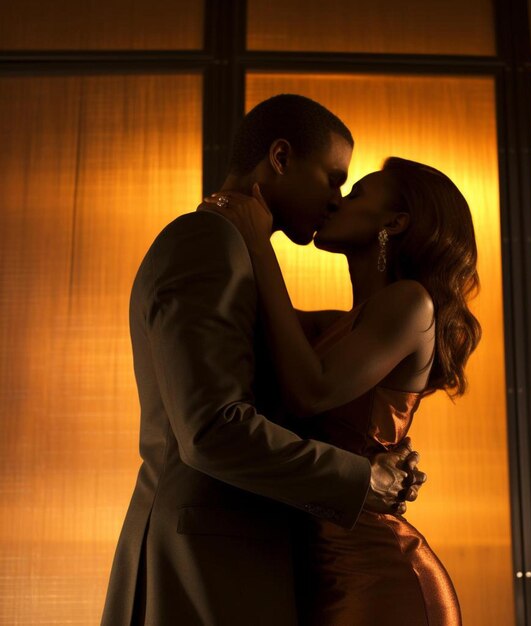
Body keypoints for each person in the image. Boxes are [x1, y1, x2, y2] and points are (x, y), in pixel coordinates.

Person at [100, 95, 426, 626]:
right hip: (203, 564)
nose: (336, 199)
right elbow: (211, 430)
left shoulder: (237, 252)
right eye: (333, 178)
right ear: (280, 157)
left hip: (241, 559)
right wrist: (361, 477)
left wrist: (375, 443)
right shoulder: (207, 241)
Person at [203, 157, 482, 626]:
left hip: (377, 576)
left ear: (393, 223)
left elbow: (311, 392)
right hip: (321, 573)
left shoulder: (412, 301)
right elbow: (261, 321)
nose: (337, 201)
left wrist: (257, 241)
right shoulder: (340, 325)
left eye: (356, 195)